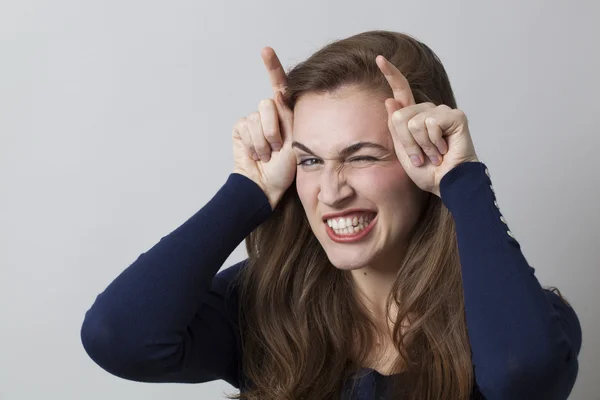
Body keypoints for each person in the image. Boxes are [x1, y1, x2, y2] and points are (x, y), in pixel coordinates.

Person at [80, 30, 582, 400]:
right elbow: (117, 337)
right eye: (310, 160)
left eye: (362, 156)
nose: (331, 191)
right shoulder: (266, 303)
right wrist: (248, 188)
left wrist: (461, 177)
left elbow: (524, 376)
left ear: (423, 156)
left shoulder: (516, 316)